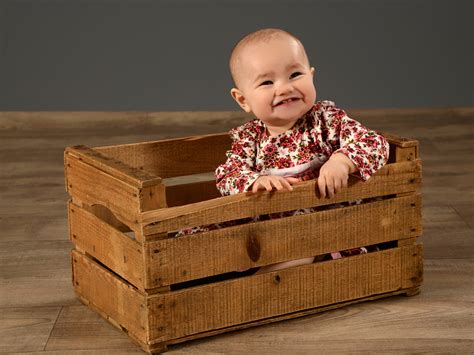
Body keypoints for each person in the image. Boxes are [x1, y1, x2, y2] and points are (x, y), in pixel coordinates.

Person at [178, 28, 389, 275]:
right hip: (265, 231)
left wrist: (342, 161)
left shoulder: (326, 120)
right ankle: (203, 272)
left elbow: (374, 142)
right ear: (242, 99)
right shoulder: (250, 138)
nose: (284, 88)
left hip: (320, 228)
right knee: (215, 236)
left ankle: (258, 287)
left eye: (295, 74)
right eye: (267, 82)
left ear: (311, 76)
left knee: (297, 249)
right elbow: (228, 175)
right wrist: (255, 181)